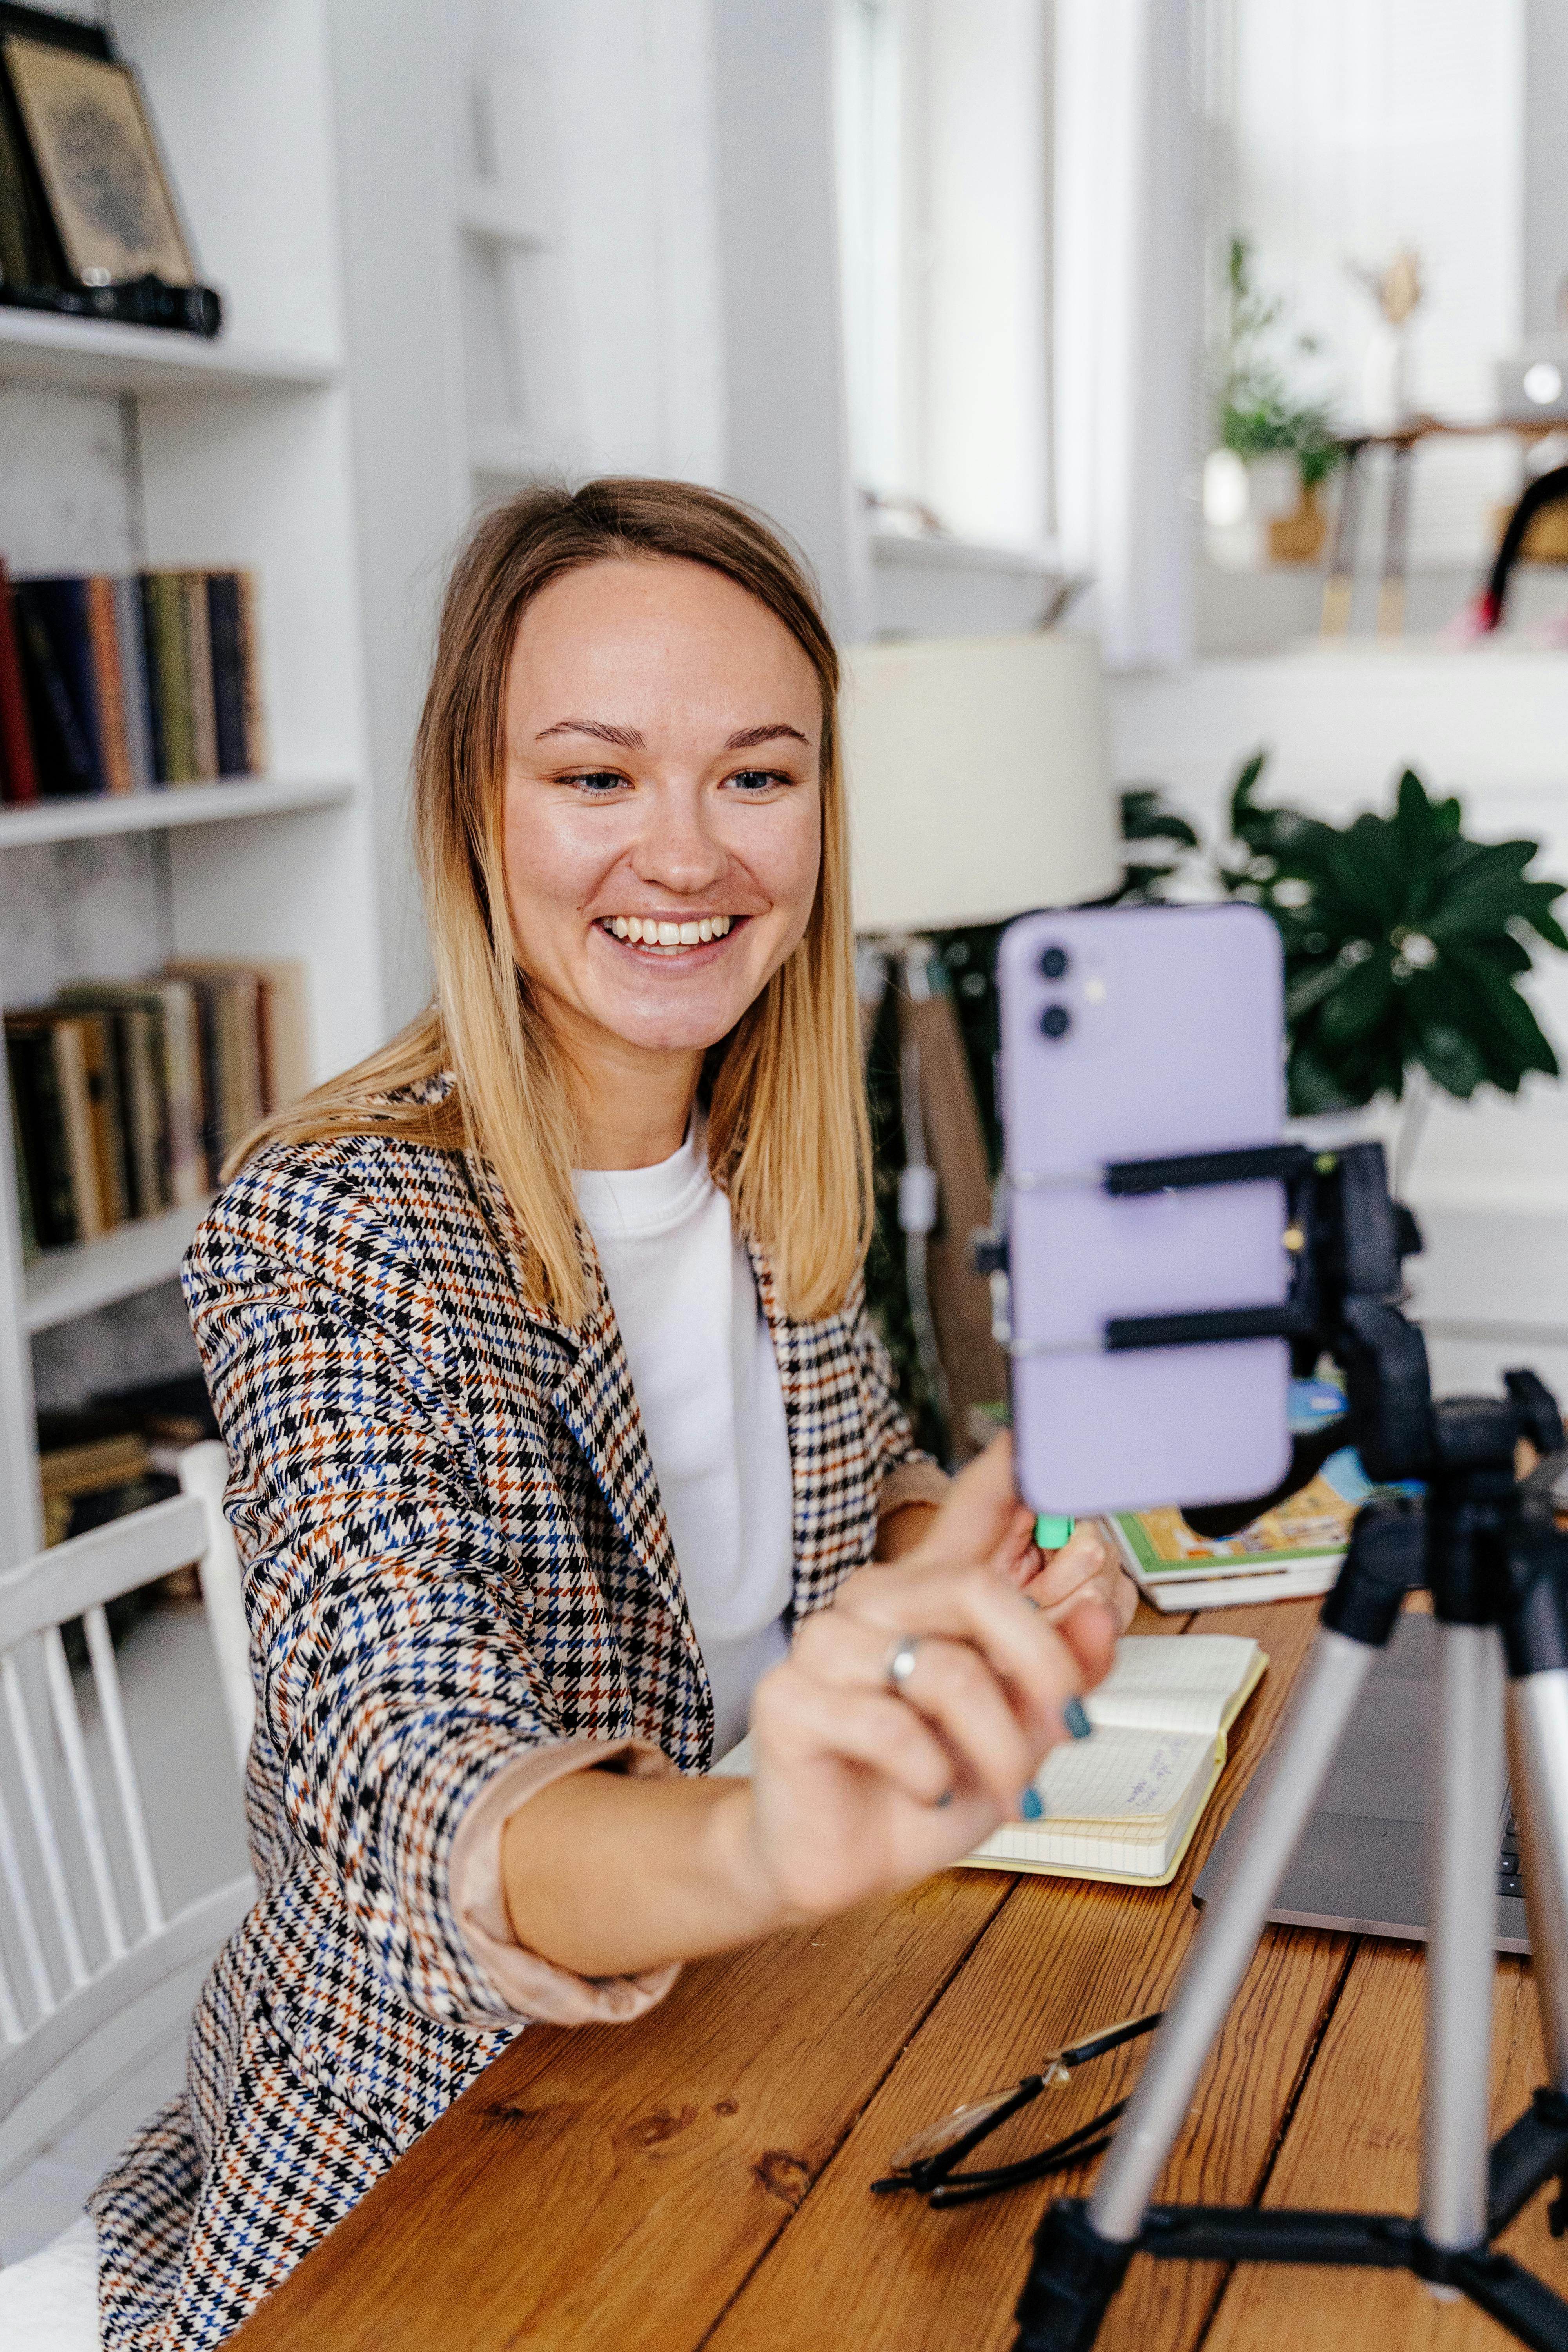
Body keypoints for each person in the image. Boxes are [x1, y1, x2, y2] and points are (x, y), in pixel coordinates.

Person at [82, 479, 1136, 2349]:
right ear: (474, 815)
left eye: (756, 776)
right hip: (417, 2165)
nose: (690, 853)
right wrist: (762, 1848)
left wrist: (958, 1560)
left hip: (762, 2060)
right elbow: (407, 1750)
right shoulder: (334, 1221)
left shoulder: (778, 1158)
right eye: (594, 777)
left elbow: (836, 1483)